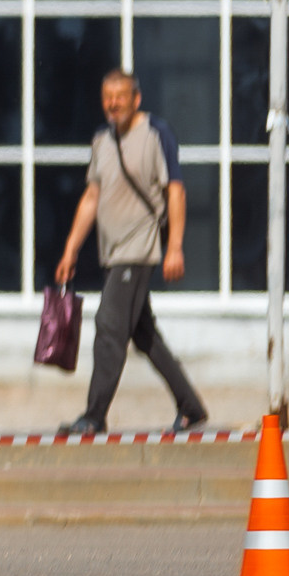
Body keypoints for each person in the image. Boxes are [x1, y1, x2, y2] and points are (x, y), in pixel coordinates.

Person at [53, 69, 209, 436]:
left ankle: (94, 415)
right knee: (144, 336)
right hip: (112, 253)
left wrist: (174, 248)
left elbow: (176, 191)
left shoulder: (157, 134)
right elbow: (91, 197)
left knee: (109, 325)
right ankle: (191, 407)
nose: (113, 104)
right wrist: (70, 250)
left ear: (136, 98)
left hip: (139, 250)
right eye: (107, 97)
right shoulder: (101, 140)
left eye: (120, 96)